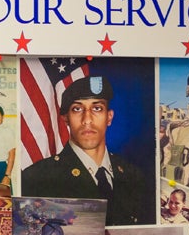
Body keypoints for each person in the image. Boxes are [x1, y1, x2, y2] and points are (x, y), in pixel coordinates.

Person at [21, 76, 151, 226]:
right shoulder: (36, 179)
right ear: (66, 119)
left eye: (97, 108)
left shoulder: (133, 176)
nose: (87, 119)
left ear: (109, 117)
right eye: (77, 109)